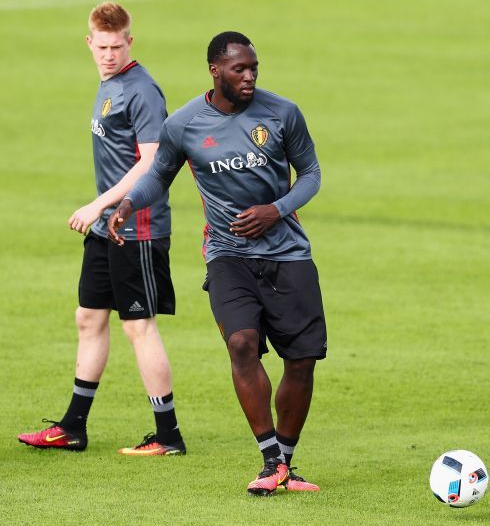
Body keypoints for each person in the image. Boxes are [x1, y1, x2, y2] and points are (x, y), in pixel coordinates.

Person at [108, 31, 326, 494]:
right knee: (243, 343)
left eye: (253, 68)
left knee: (302, 360)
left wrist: (276, 209)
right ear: (214, 69)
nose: (248, 77)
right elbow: (158, 176)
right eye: (238, 69)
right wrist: (129, 203)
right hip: (227, 254)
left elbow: (311, 173)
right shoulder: (185, 124)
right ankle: (270, 463)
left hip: (288, 253)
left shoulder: (282, 113)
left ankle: (286, 462)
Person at [18, 2, 186, 456]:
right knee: (88, 317)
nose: (109, 54)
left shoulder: (142, 90)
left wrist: (98, 204)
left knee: (138, 326)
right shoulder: (109, 83)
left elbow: (152, 163)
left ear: (130, 41)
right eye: (102, 46)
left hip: (136, 225)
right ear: (89, 43)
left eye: (117, 45)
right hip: (106, 227)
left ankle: (168, 436)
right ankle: (72, 428)